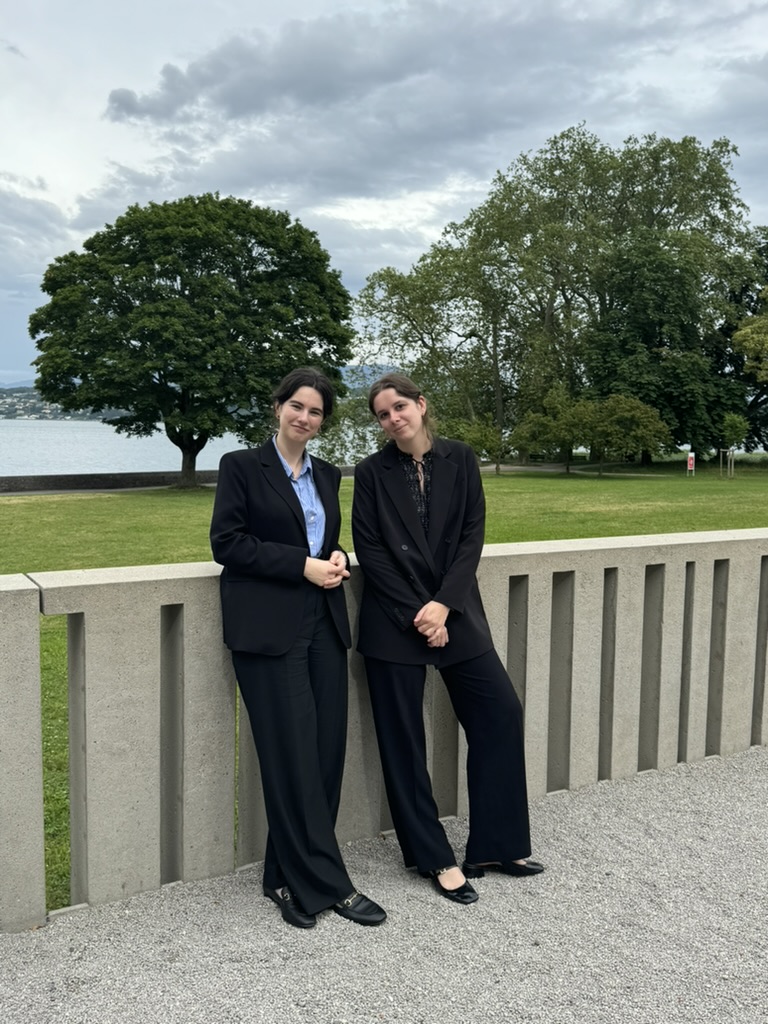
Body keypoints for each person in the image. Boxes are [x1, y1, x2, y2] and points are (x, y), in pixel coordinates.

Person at [351, 372, 543, 906]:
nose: (393, 419)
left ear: (420, 404)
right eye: (382, 414)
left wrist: (443, 605)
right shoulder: (369, 473)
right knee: (403, 741)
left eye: (399, 407)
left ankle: (497, 846)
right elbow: (371, 550)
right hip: (395, 620)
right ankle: (433, 856)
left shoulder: (461, 457)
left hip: (454, 611)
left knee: (500, 713)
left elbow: (470, 535)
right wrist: (419, 612)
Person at [210, 367, 386, 929]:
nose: (304, 418)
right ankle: (328, 885)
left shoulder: (328, 474)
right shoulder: (241, 466)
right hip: (268, 629)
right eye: (297, 406)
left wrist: (336, 557)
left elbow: (322, 539)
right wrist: (301, 565)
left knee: (324, 752)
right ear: (279, 406)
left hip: (324, 623)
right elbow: (227, 543)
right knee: (291, 756)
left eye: (315, 412)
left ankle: (281, 877)